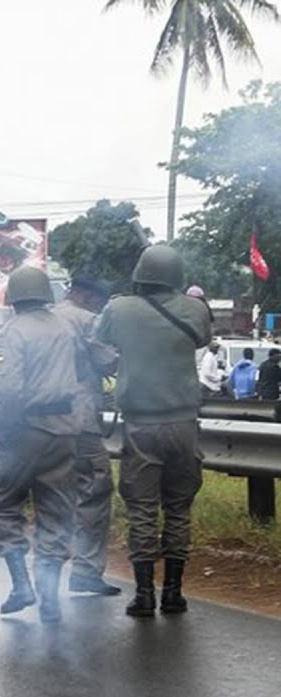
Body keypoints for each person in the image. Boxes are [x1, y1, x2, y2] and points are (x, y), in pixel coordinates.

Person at [95, 244, 212, 618]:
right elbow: (203, 340)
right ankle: (174, 593)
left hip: (141, 426)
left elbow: (101, 343)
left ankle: (144, 594)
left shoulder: (119, 309)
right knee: (178, 508)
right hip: (183, 424)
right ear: (177, 275)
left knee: (143, 509)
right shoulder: (195, 308)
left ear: (141, 274)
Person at [0, 267, 81, 624]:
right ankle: (50, 597)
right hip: (65, 429)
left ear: (14, 298)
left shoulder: (13, 332)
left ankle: (21, 583)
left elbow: (9, 390)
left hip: (27, 428)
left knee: (0, 497)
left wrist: (4, 434)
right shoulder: (65, 327)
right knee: (56, 508)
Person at [52, 277, 122, 597]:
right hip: (78, 421)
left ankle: (45, 572)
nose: (97, 305)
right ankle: (85, 569)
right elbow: (108, 360)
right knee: (95, 489)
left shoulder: (43, 316)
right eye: (96, 298)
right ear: (83, 294)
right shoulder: (85, 320)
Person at [257, 349, 281, 416]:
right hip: (272, 392)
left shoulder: (262, 365)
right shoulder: (274, 367)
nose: (280, 359)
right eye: (279, 356)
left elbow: (258, 379)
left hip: (262, 392)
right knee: (272, 407)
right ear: (273, 356)